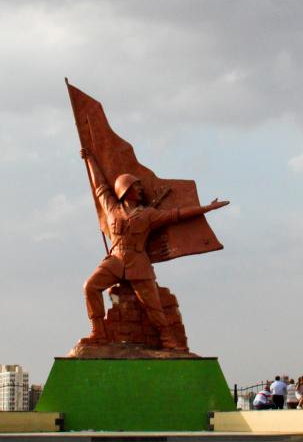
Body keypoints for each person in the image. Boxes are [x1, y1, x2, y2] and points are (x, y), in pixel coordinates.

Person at [80, 147, 229, 344]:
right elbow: (99, 186)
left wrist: (206, 208)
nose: (141, 189)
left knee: (152, 305)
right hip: (115, 260)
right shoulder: (111, 208)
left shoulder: (148, 214)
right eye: (136, 186)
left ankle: (167, 337)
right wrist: (90, 159)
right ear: (125, 190)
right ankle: (98, 330)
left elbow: (176, 214)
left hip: (137, 262)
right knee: (90, 286)